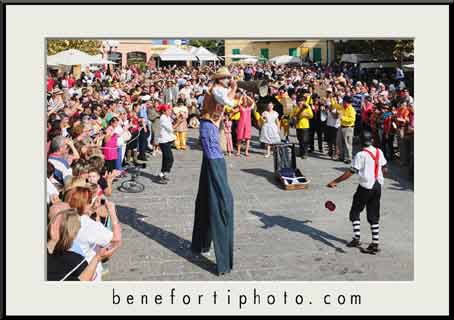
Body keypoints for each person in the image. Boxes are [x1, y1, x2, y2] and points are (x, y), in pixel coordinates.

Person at [191, 66, 235, 276]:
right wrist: (234, 89)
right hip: (208, 128)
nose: (228, 80)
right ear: (220, 79)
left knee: (213, 170)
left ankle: (201, 242)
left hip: (212, 128)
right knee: (218, 172)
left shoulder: (218, 90)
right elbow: (228, 101)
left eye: (229, 78)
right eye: (226, 78)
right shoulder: (217, 90)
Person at [327, 130, 387, 254]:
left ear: (360, 142)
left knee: (355, 211)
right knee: (373, 214)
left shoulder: (360, 155)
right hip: (377, 186)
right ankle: (375, 243)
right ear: (372, 141)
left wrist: (335, 181)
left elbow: (351, 171)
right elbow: (385, 168)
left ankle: (356, 238)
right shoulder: (378, 151)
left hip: (365, 187)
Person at [47, 208, 114, 281]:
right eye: (54, 221)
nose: (54, 225)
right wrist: (97, 257)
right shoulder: (76, 261)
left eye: (57, 223)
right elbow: (83, 281)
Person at [157, 104, 176, 184]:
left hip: (167, 140)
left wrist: (177, 118)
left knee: (166, 158)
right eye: (168, 110)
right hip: (163, 141)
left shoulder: (167, 117)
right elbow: (171, 129)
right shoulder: (163, 118)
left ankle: (163, 173)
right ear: (164, 111)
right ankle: (162, 174)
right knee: (169, 158)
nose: (170, 111)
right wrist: (179, 122)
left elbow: (172, 123)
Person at [236, 93, 254, 158]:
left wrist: (247, 96)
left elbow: (253, 102)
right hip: (241, 123)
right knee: (239, 138)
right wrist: (242, 97)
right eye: (244, 101)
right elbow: (238, 103)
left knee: (248, 138)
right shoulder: (240, 107)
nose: (245, 101)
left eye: (246, 101)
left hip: (248, 124)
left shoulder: (249, 108)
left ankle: (246, 151)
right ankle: (238, 151)